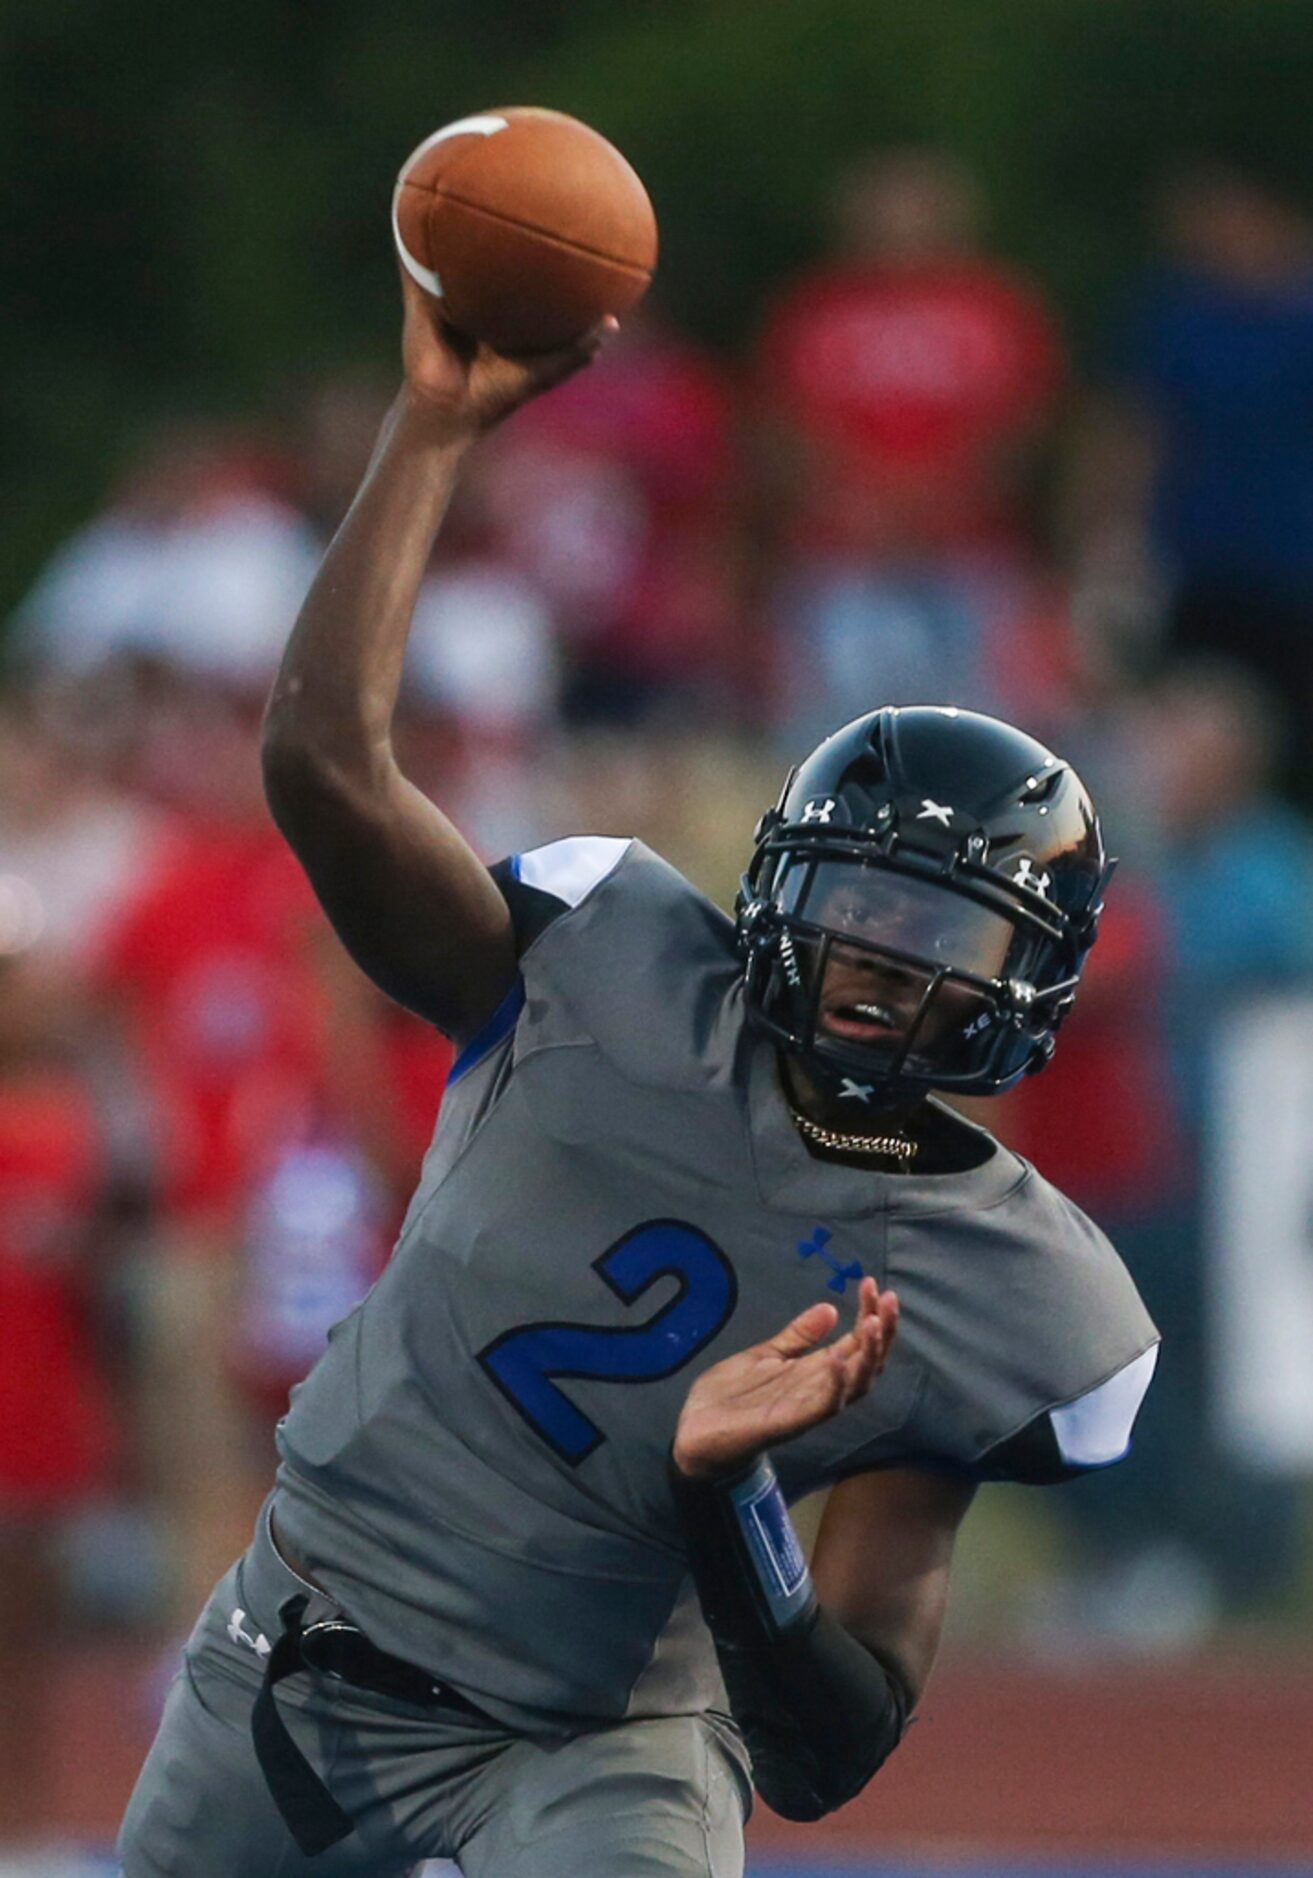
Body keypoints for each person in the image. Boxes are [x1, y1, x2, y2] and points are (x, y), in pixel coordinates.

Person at [118, 280, 1157, 1878]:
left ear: (1028, 980)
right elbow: (325, 768)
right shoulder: (607, 956)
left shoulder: (1021, 1293)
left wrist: (728, 1492)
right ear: (776, 887)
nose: (883, 956)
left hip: (603, 1729)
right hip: (301, 1641)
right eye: (858, 903)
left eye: (940, 927)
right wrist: (434, 425)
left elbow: (828, 1745)